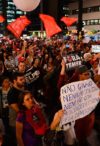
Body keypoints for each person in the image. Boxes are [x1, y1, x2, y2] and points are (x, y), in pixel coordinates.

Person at [7, 72, 26, 146]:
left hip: (23, 120)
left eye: (24, 78)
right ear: (15, 81)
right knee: (20, 141)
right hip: (16, 122)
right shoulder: (11, 93)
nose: (23, 80)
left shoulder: (22, 88)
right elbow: (18, 110)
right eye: (21, 79)